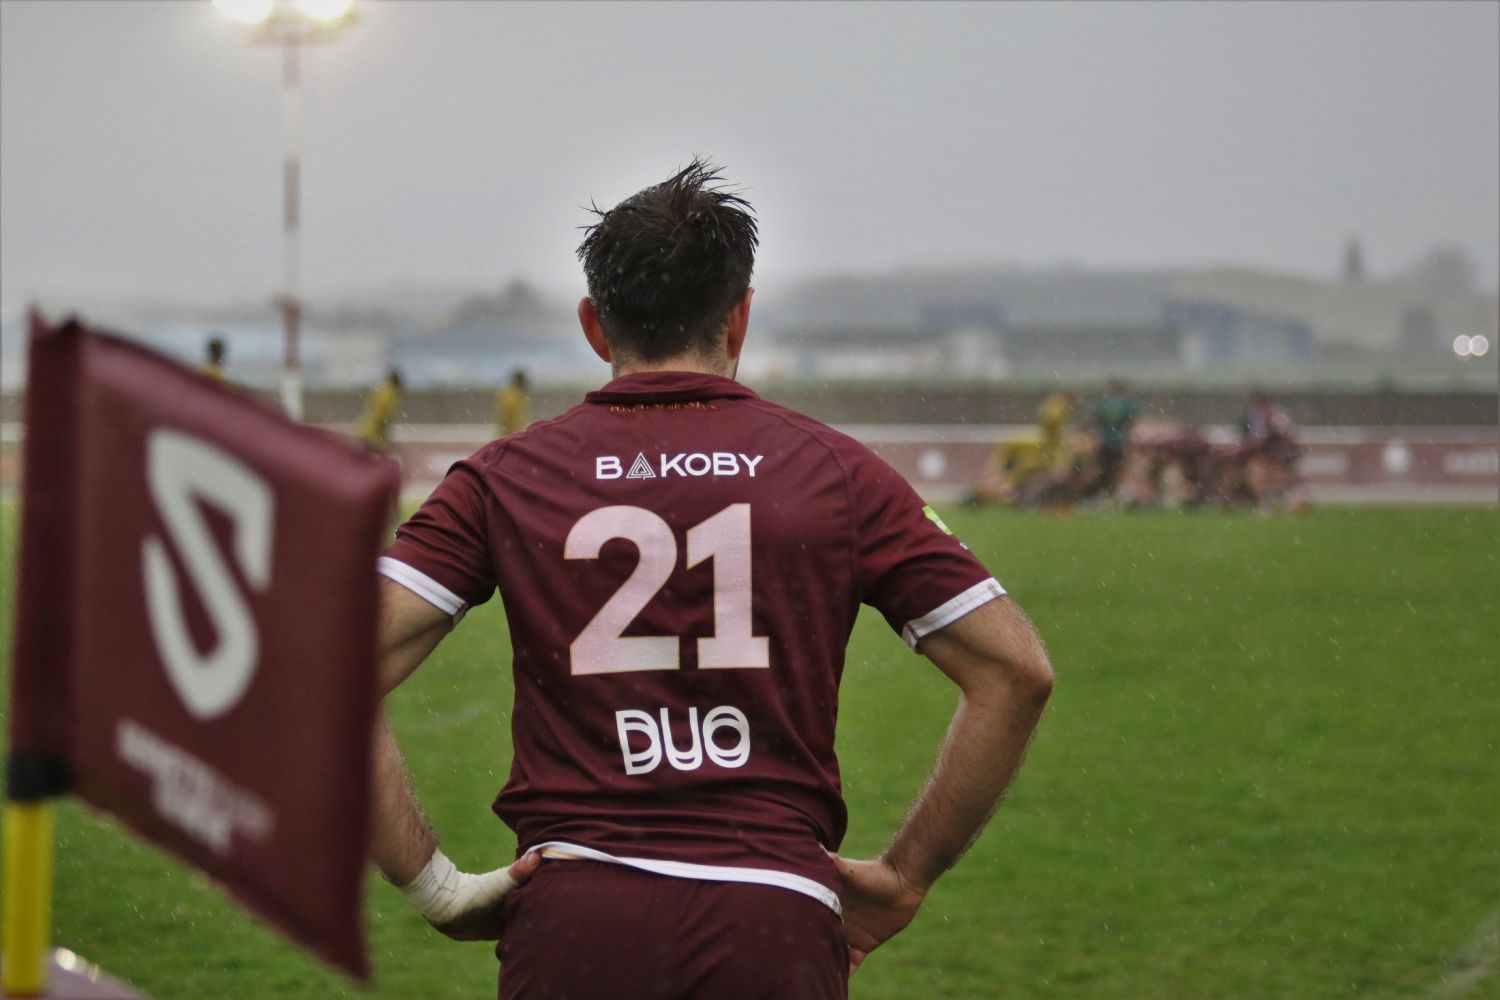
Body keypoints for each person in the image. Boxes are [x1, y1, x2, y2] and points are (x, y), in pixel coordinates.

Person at [369, 159, 1054, 998]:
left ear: (594, 324)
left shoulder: (505, 476)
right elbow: (1015, 670)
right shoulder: (836, 473)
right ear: (740, 316)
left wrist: (434, 887)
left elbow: (325, 673)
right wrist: (907, 875)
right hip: (772, 920)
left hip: (576, 922)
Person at [1089, 378, 1137, 499]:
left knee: (1104, 469)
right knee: (1118, 469)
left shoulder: (1103, 404)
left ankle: (1104, 492)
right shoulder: (1126, 405)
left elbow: (1095, 421)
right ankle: (1114, 493)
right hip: (1119, 441)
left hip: (1104, 441)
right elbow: (1131, 422)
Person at [356, 368, 404, 453]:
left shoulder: (381, 391)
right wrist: (381, 439)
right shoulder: (391, 395)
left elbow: (372, 409)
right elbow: (383, 417)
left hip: (365, 429)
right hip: (373, 434)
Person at [494, 368, 531, 436]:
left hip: (512, 432)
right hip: (510, 433)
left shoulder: (515, 394)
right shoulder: (513, 396)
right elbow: (507, 417)